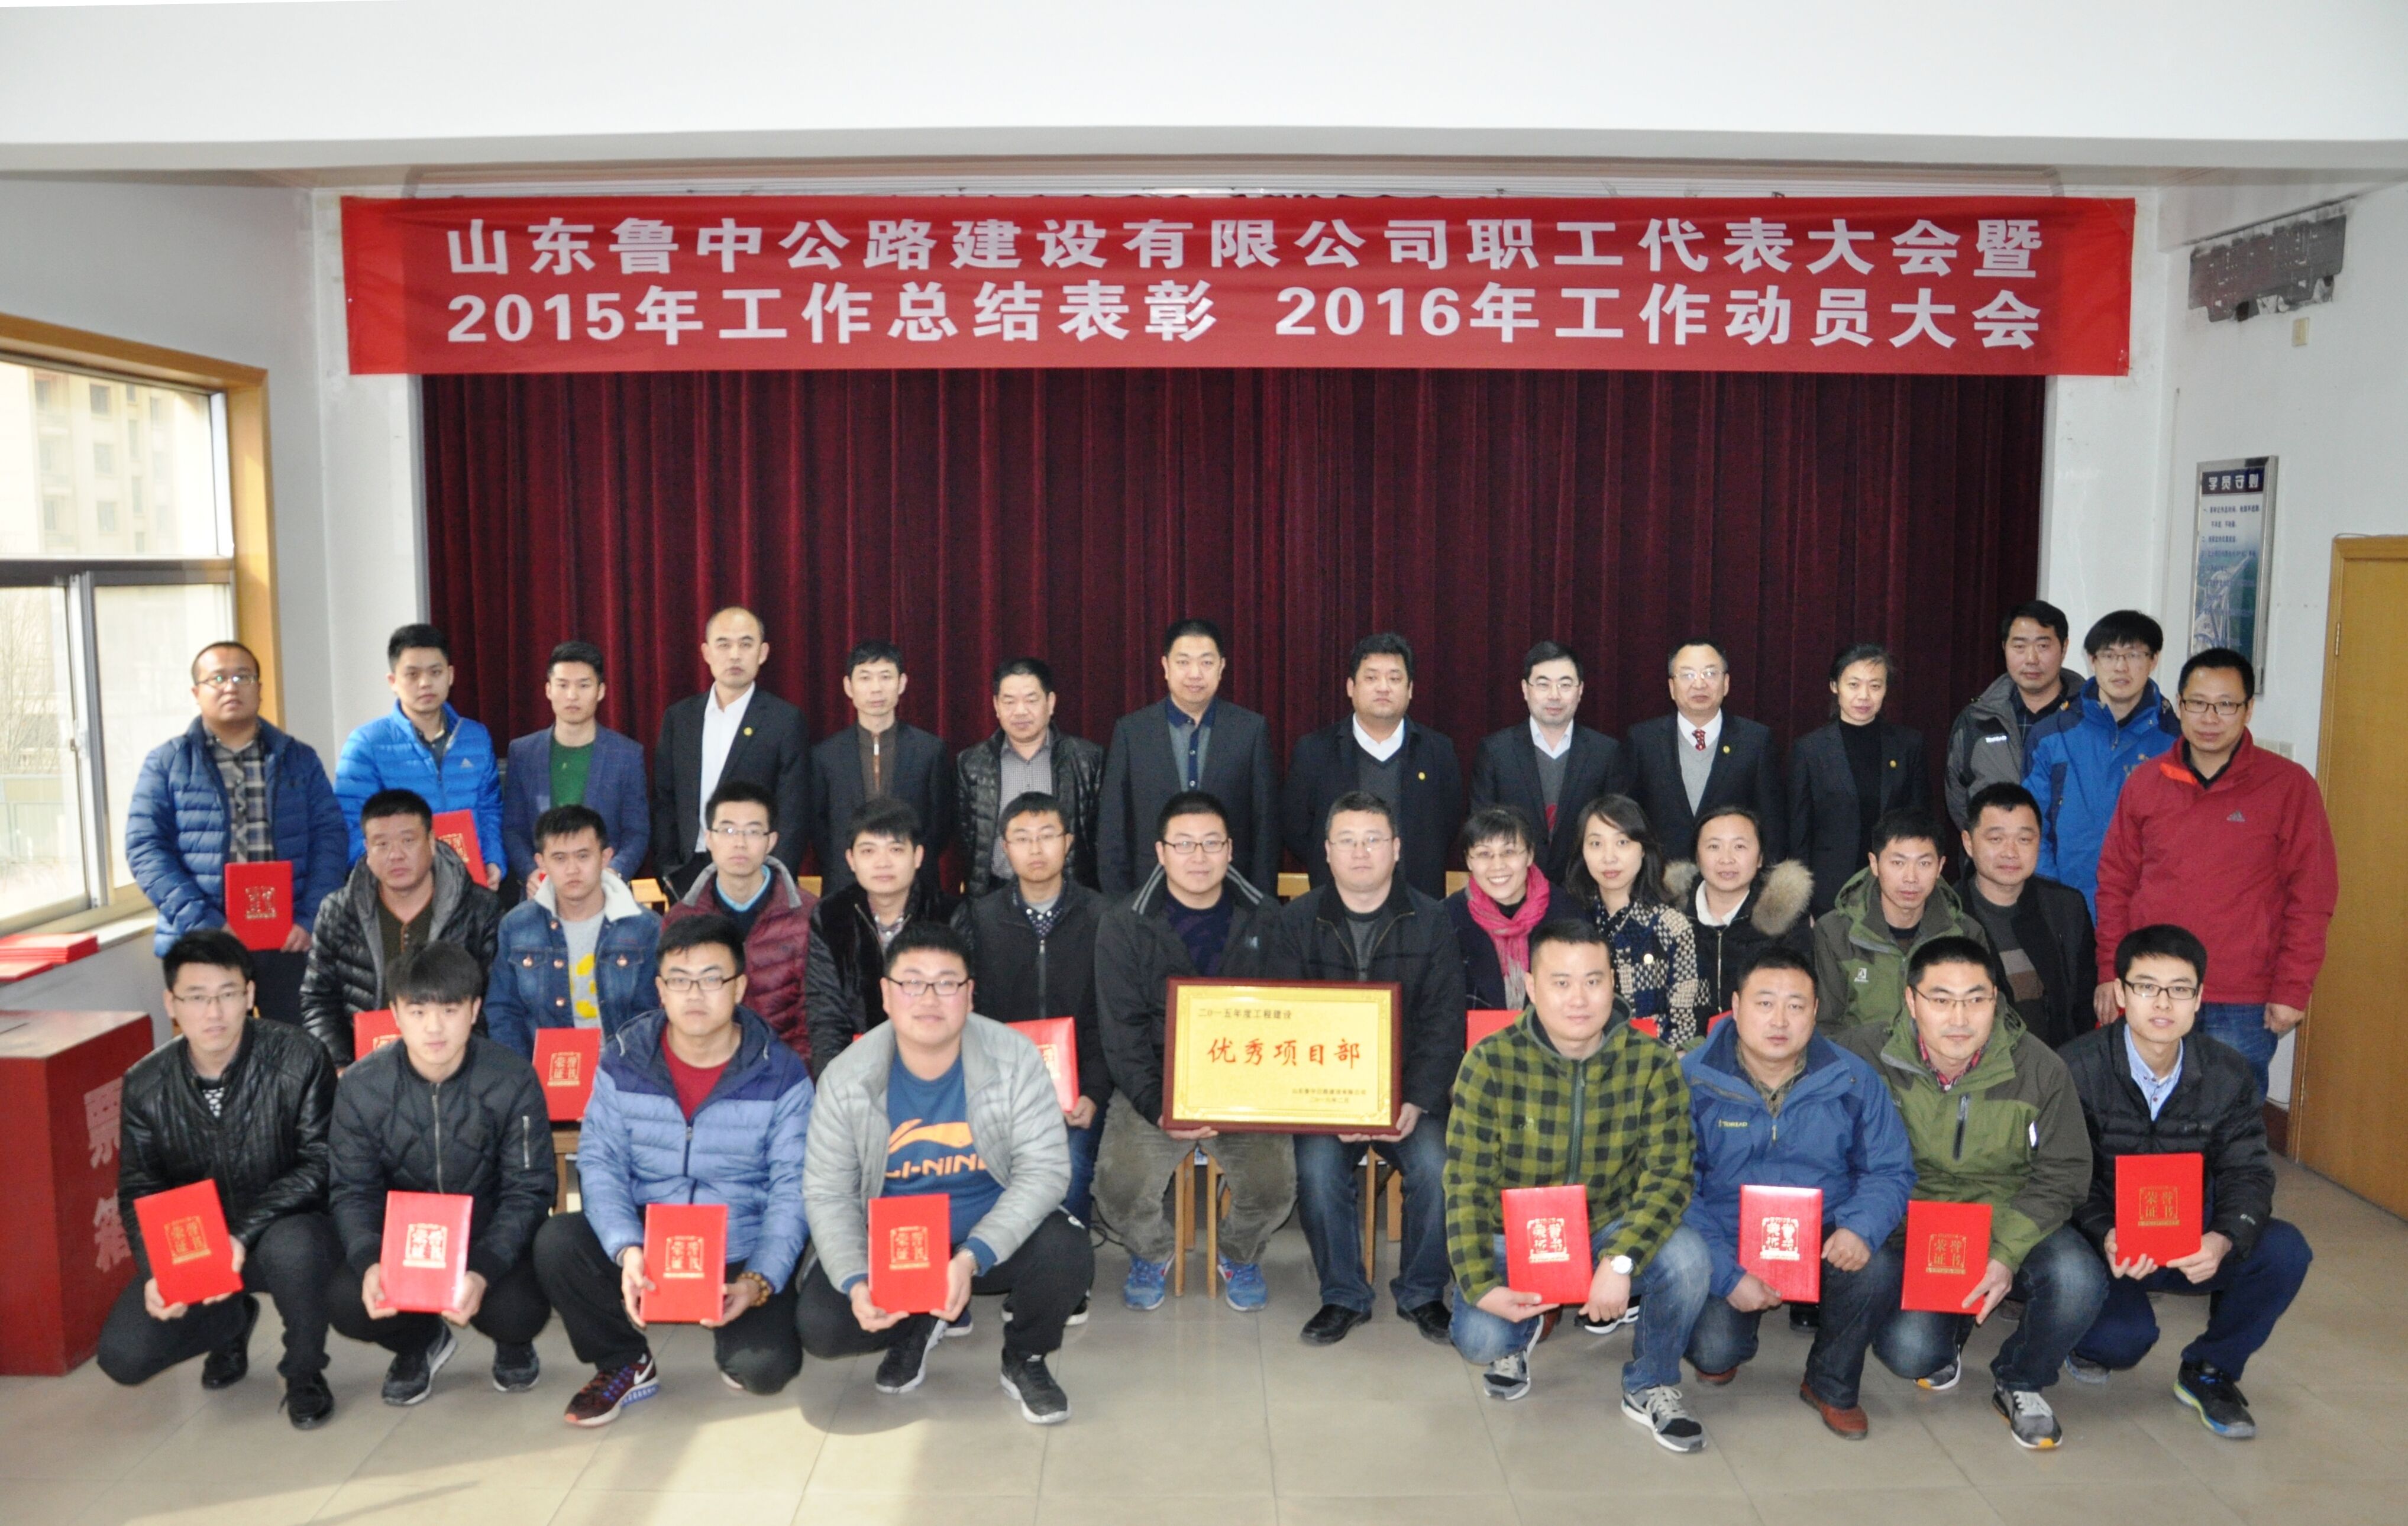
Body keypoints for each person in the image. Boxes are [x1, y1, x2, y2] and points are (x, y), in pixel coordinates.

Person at [797, 924, 1093, 1425]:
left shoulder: (1014, 1057)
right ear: (886, 995)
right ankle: (916, 1321)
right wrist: (856, 1281)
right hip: (898, 1246)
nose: (929, 998)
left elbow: (1044, 1171)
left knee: (1066, 1251)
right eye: (912, 983)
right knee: (825, 1327)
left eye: (946, 983)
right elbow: (828, 1193)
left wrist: (972, 1256)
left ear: (970, 994)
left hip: (988, 1236)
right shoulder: (847, 1077)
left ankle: (1025, 1356)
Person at [531, 913, 813, 1425]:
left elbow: (792, 1187)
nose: (695, 995)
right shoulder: (623, 1060)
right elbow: (600, 1162)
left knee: (764, 1371)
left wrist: (758, 1279)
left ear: (740, 987)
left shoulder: (781, 1072)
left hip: (738, 1242)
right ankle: (625, 1360)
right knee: (558, 1242)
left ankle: (735, 1321)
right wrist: (627, 1247)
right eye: (679, 981)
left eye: (711, 979)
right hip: (649, 1234)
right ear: (660, 990)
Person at [1441, 920, 1712, 1447]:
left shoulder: (1651, 1062)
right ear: (1530, 985)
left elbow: (1670, 1175)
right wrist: (1480, 1285)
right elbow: (1464, 1184)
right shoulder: (1489, 1062)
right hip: (1515, 1236)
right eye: (1560, 982)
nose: (1578, 999)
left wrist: (1620, 1260)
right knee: (1480, 1339)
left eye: (1593, 981)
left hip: (1607, 1225)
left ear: (1613, 982)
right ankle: (1518, 1336)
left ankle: (1651, 1382)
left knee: (1688, 1260)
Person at [1843, 936, 2103, 1451]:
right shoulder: (1864, 1056)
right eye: (1941, 1000)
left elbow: (2065, 1172)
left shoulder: (2039, 1068)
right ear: (1911, 1000)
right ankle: (1950, 1329)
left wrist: (2004, 1254)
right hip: (1911, 1223)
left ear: (1995, 1000)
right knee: (1911, 1354)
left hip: (2008, 1214)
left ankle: (2021, 1378)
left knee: (2078, 1279)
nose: (1959, 1018)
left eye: (1975, 999)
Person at [2060, 924, 2313, 1438]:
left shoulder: (2227, 1071)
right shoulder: (2074, 1067)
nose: (2162, 1003)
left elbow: (2248, 1171)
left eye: (2179, 989)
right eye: (2146, 986)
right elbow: (2063, 1176)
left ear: (2199, 999)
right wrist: (2105, 1232)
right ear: (2120, 993)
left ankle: (2210, 1369)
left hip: (2186, 1233)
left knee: (2284, 1250)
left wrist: (2223, 1238)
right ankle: (2083, 1334)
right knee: (2118, 1342)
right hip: (2105, 1239)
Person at [98, 931, 342, 1429]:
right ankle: (230, 1321)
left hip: (287, 1228)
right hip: (200, 1244)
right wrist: (157, 1270)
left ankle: (303, 1370)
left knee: (294, 1248)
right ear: (172, 1003)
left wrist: (241, 1235)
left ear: (249, 995)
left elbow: (320, 1164)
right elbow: (141, 1188)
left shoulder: (300, 1056)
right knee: (125, 1356)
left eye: (227, 994)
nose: (214, 1013)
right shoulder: (146, 1084)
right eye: (196, 998)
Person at [1680, 947, 1916, 1439]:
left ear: (1814, 1012)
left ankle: (1830, 1383)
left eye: (1795, 1005)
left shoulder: (1853, 1078)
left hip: (1824, 1231)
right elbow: (1678, 1189)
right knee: (1713, 1352)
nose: (1779, 1021)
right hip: (1728, 1233)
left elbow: (1889, 1170)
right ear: (1735, 1006)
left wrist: (1859, 1229)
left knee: (1876, 1265)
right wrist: (1726, 1275)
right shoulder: (1692, 1080)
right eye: (1765, 1003)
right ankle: (1733, 1335)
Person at [1263, 791, 1468, 1347]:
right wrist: (1333, 1103)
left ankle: (1422, 1292)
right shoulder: (1297, 920)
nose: (1360, 853)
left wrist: (1416, 1098)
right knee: (1317, 1171)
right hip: (1324, 1094)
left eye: (1373, 840)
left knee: (1439, 1166)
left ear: (1396, 849)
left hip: (1408, 1095)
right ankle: (1343, 1295)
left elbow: (1443, 1023)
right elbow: (1285, 1021)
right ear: (1326, 852)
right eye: (1347, 841)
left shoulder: (1430, 919)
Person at [2094, 648, 2338, 1100]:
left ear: (2247, 710)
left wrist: (2292, 988)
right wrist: (2111, 970)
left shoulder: (2288, 786)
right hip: (2153, 985)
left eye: (2225, 705)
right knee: (2144, 1107)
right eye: (2197, 703)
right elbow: (2114, 884)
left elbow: (2312, 896)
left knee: (2228, 1115)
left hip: (2242, 996)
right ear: (2179, 705)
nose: (2209, 718)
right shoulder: (2145, 783)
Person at [326, 942, 555, 1404]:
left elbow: (528, 1189)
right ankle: (420, 1342)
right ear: (395, 1013)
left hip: (486, 1233)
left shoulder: (512, 1078)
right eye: (417, 1011)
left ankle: (512, 1342)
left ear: (474, 1010)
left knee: (518, 1310)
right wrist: (370, 1260)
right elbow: (353, 1189)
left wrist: (483, 1269)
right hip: (406, 1244)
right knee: (348, 1300)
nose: (434, 1028)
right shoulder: (361, 1086)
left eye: (450, 1010)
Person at [1093, 789, 1291, 1312]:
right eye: (1183, 844)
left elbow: (1287, 1014)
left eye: (1210, 843)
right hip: (1158, 1081)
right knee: (1117, 1187)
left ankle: (1238, 1254)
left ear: (1230, 850)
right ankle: (1152, 1252)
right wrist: (1159, 1107)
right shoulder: (1124, 923)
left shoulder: (1265, 917)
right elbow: (1122, 1033)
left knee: (1274, 1188)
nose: (1198, 857)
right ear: (1160, 853)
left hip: (1244, 1082)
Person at [126, 640, 348, 1027]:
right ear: (196, 692)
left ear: (259, 688)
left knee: (300, 1046)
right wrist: (206, 925)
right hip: (205, 941)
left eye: (243, 677)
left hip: (290, 939)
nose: (231, 687)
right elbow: (145, 849)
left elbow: (330, 838)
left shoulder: (298, 758)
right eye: (217, 678)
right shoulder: (168, 763)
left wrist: (310, 917)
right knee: (217, 1047)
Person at [953, 791, 1110, 1224]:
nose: (1035, 849)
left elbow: (1112, 1017)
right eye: (1022, 838)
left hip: (1081, 1092)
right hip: (1001, 1089)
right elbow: (967, 1016)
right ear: (1005, 849)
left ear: (1068, 843)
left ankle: (1068, 1262)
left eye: (1047, 836)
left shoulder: (1102, 917)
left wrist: (1094, 1093)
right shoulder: (980, 919)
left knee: (1069, 1168)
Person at [299, 788, 500, 1066]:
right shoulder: (337, 911)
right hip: (363, 1067)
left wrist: (462, 1068)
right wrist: (341, 1066)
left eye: (408, 841)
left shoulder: (479, 909)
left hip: (454, 1063)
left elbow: (493, 1003)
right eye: (381, 844)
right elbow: (318, 1000)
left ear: (431, 842)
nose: (395, 855)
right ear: (367, 850)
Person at [1097, 617, 1279, 896]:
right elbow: (1113, 828)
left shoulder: (1250, 731)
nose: (1195, 674)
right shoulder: (1132, 732)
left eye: (1206, 662)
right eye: (1183, 662)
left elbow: (1266, 828)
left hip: (1232, 896)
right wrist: (1118, 907)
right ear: (1166, 667)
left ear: (1221, 667)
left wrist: (1260, 904)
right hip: (1148, 895)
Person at [1283, 632, 1464, 897]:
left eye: (1395, 678)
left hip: (1418, 905)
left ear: (1410, 689)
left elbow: (1449, 827)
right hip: (1336, 905)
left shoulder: (1438, 752)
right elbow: (1297, 831)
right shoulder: (1314, 752)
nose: (1383, 687)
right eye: (1371, 678)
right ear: (1351, 687)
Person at [2022, 609, 2181, 911]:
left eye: (2133, 655)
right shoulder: (2051, 736)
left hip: (2148, 907)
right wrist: (2053, 898)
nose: (2121, 667)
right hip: (2068, 905)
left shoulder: (2177, 742)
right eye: (2109, 655)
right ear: (2092, 660)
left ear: (2154, 660)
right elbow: (2032, 826)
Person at [651, 606, 810, 893]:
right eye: (724, 644)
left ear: (762, 653)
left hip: (757, 872)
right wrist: (668, 871)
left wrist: (774, 879)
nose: (735, 655)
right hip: (689, 871)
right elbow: (665, 800)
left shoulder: (785, 720)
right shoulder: (680, 718)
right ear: (706, 653)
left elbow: (793, 812)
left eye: (746, 644)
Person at [483, 804, 662, 1056]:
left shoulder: (645, 928)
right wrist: (522, 1073)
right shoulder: (517, 927)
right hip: (543, 1069)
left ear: (606, 857)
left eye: (583, 856)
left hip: (625, 1067)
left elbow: (654, 1014)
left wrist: (625, 1071)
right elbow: (503, 1011)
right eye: (559, 858)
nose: (572, 870)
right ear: (541, 863)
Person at [334, 623, 503, 886]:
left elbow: (489, 810)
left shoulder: (476, 738)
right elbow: (352, 827)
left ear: (450, 675)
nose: (425, 683)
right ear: (393, 682)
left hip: (469, 886)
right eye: (412, 674)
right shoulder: (367, 744)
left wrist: (494, 861)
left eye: (435, 672)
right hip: (399, 889)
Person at [662, 780, 819, 1062]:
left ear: (771, 841)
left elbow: (818, 1018)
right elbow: (669, 1011)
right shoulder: (680, 919)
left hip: (785, 1069)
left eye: (753, 831)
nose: (740, 843)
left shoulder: (809, 917)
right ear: (709, 839)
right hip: (706, 1066)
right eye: (728, 830)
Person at [804, 798, 961, 1075]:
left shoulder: (949, 915)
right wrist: (836, 1085)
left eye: (896, 849)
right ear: (851, 860)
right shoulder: (830, 916)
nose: (883, 863)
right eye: (868, 851)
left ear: (918, 856)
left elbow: (960, 1010)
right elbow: (827, 1016)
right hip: (856, 1070)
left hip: (936, 1068)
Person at [1811, 808, 1987, 1033]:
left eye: (1924, 864)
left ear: (1940, 867)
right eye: (1898, 863)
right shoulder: (1835, 933)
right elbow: (1824, 1029)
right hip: (1861, 1056)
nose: (1911, 878)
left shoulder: (1966, 934)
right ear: (1874, 864)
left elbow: (1984, 1019)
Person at [1469, 641, 1630, 884]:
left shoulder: (1606, 753)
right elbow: (1482, 828)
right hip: (1514, 888)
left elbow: (1617, 829)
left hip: (1584, 889)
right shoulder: (1495, 751)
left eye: (1565, 685)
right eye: (1543, 684)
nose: (1554, 695)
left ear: (1580, 690)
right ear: (1525, 689)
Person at [1788, 643, 1930, 917]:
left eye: (1875, 686)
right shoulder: (1809, 750)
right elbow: (1798, 834)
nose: (1864, 696)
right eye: (1854, 685)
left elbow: (1920, 822)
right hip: (1828, 890)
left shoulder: (1908, 745)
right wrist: (1803, 904)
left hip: (1894, 886)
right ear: (1835, 686)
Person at [1560, 795, 1712, 1049]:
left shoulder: (1674, 928)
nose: (1609, 857)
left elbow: (1688, 1026)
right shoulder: (1570, 922)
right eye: (1596, 844)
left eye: (1622, 842)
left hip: (1653, 1064)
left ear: (1643, 849)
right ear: (1582, 852)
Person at [810, 639, 956, 896]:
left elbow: (941, 824)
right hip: (844, 886)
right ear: (848, 686)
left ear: (902, 683)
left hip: (915, 886)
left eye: (886, 677)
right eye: (865, 678)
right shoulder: (825, 755)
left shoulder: (930, 751)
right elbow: (819, 827)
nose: (876, 688)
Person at [1958, 784, 2097, 1050]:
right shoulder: (1948, 915)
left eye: (2024, 840)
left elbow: (2084, 1006)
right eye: (1996, 839)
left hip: (2060, 1063)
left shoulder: (2067, 908)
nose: (2010, 852)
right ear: (1969, 843)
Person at [502, 640, 649, 889]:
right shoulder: (523, 753)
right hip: (543, 888)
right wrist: (531, 873)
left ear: (600, 691)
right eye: (563, 685)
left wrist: (615, 872)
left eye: (584, 685)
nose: (572, 695)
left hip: (604, 889)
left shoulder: (627, 755)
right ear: (548, 690)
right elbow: (513, 829)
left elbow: (637, 831)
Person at [1624, 637, 1785, 866]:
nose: (1699, 684)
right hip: (1660, 877)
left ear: (1726, 683)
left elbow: (1772, 824)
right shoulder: (1643, 740)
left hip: (1732, 876)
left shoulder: (1756, 741)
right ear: (1672, 687)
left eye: (1710, 673)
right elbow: (1628, 819)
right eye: (1688, 675)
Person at [958, 657, 1106, 897]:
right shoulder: (971, 763)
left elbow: (1100, 838)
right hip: (994, 896)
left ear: (1051, 702)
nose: (1020, 711)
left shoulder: (1087, 759)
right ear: (996, 706)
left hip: (1069, 895)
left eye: (1031, 700)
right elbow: (968, 839)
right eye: (1009, 701)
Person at [1662, 806, 1812, 1015]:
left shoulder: (1786, 920)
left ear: (1760, 858)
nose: (1727, 859)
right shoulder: (1666, 916)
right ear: (1697, 857)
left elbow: (1798, 999)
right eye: (1714, 846)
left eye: (1740, 846)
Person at [1945, 600, 2080, 832]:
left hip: (2070, 854)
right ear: (2004, 648)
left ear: (2064, 648)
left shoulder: (2089, 718)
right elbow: (1958, 798)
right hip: (1995, 852)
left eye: (2043, 646)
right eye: (2019, 646)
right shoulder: (1977, 719)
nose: (2031, 659)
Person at [1447, 806, 1556, 1011]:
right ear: (1469, 861)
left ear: (1530, 855)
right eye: (1484, 854)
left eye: (1509, 852)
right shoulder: (1447, 919)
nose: (1498, 865)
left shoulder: (1565, 913)